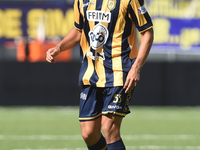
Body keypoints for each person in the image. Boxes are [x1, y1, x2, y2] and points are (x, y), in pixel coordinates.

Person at [46, 0, 154, 149]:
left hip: (119, 73)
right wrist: (59, 47)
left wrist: (136, 67)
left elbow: (147, 31)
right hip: (91, 73)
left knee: (109, 128)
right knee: (89, 133)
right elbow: (78, 30)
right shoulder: (81, 1)